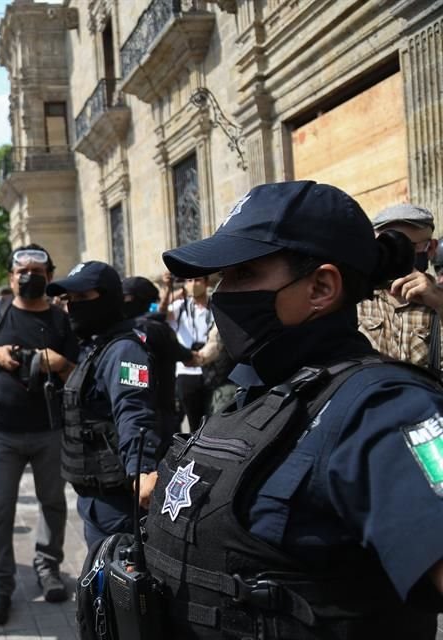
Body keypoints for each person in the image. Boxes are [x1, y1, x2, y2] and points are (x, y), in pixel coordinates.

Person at [141, 180, 443, 638]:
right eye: (222, 278)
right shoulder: (262, 388)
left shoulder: (384, 409)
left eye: (243, 274)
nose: (224, 295)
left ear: (321, 286)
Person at [0, 244, 79, 625]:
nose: (28, 276)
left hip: (49, 430)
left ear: (48, 277)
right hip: (2, 434)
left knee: (53, 504)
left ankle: (48, 568)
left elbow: (76, 372)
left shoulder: (62, 320)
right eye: (21, 270)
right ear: (12, 277)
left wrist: (59, 363)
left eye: (37, 270)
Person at [45, 262, 160, 548]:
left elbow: (133, 411)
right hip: (95, 497)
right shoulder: (98, 345)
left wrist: (141, 470)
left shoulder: (125, 350)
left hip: (118, 502)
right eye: (69, 300)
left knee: (117, 585)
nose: (73, 307)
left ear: (108, 298)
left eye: (83, 298)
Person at [357, 203, 443, 375]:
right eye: (387, 246)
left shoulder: (438, 301)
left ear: (431, 248)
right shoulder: (356, 299)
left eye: (408, 246)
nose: (396, 254)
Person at [121, 276, 196, 450]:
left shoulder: (122, 329)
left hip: (131, 412)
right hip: (158, 413)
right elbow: (182, 354)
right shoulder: (155, 329)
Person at [162, 272, 212, 431]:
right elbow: (161, 313)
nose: (193, 283)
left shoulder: (216, 306)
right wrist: (168, 288)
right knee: (194, 423)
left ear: (206, 282)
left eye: (197, 279)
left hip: (212, 370)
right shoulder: (181, 306)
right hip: (186, 372)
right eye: (189, 280)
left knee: (212, 421)